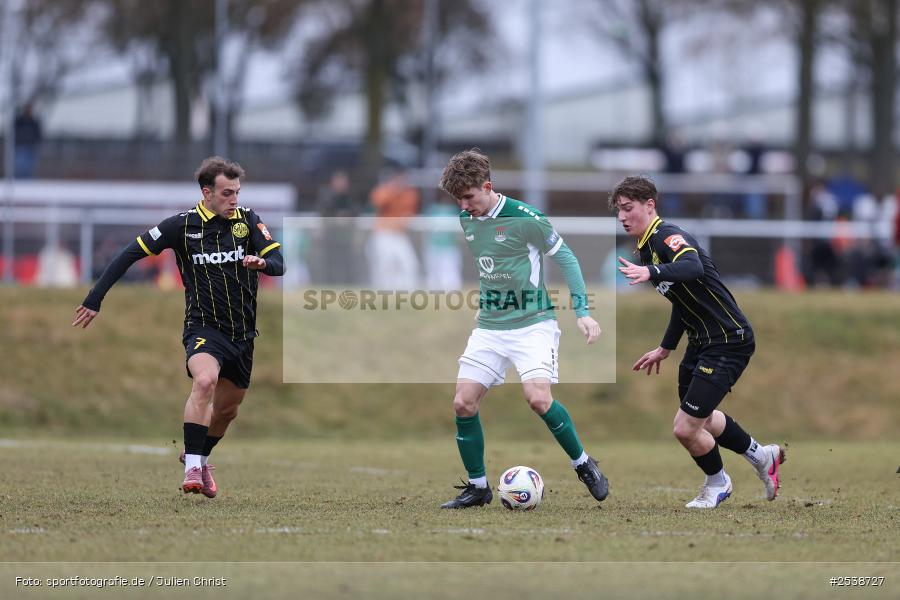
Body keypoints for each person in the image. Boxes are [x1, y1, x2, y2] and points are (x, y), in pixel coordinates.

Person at [72, 156, 285, 497]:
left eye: (237, 192)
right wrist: (95, 298)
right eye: (227, 193)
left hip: (243, 334)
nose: (234, 200)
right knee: (205, 381)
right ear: (207, 193)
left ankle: (199, 457)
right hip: (203, 328)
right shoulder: (181, 227)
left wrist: (262, 263)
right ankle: (192, 470)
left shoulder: (248, 221)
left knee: (227, 410)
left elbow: (278, 262)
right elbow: (130, 253)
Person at [436, 149, 608, 509]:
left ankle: (583, 464)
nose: (464, 206)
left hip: (533, 324)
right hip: (490, 327)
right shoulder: (468, 220)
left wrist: (583, 312)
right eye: (458, 200)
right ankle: (478, 487)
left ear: (487, 187)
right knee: (463, 403)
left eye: (468, 197)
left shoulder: (526, 218)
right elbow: (493, 266)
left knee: (538, 399)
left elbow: (567, 258)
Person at [611, 175, 784, 509]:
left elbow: (691, 266)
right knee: (700, 419)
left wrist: (652, 273)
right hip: (700, 342)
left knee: (685, 427)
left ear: (650, 205)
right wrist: (665, 347)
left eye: (628, 208)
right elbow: (681, 301)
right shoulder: (647, 248)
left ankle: (718, 484)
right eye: (618, 210)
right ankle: (763, 457)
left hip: (728, 339)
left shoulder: (666, 236)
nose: (621, 216)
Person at [368, 170, 421, 290]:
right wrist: (392, 190)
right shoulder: (384, 191)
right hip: (383, 234)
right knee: (385, 265)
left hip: (399, 235)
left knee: (409, 263)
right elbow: (377, 201)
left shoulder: (409, 194)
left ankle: (408, 291)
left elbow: (409, 213)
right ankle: (384, 291)